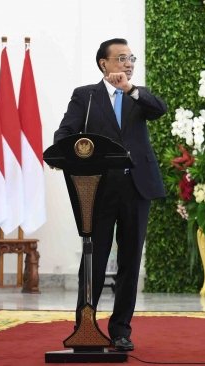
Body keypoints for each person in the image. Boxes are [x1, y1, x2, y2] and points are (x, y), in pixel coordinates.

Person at [54, 38, 167, 352]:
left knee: (130, 262)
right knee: (94, 261)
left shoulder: (138, 96)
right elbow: (64, 135)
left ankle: (121, 330)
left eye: (131, 58)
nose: (128, 63)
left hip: (136, 188)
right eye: (120, 58)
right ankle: (85, 328)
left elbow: (160, 110)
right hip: (97, 191)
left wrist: (131, 89)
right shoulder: (85, 97)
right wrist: (74, 154)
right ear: (103, 63)